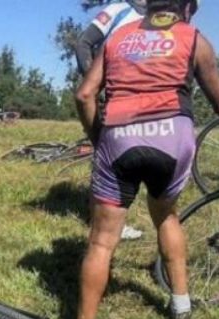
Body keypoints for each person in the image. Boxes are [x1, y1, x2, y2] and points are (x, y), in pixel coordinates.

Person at [73, 0, 219, 319]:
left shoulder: (119, 37)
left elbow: (84, 95)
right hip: (172, 139)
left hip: (119, 137)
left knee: (100, 241)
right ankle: (181, 306)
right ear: (186, 7)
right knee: (166, 216)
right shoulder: (194, 38)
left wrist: (100, 139)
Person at [76, 0, 147, 241]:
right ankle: (103, 222)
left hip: (144, 97)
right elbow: (84, 43)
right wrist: (94, 82)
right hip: (115, 94)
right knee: (109, 155)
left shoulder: (160, 15)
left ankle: (112, 219)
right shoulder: (118, 10)